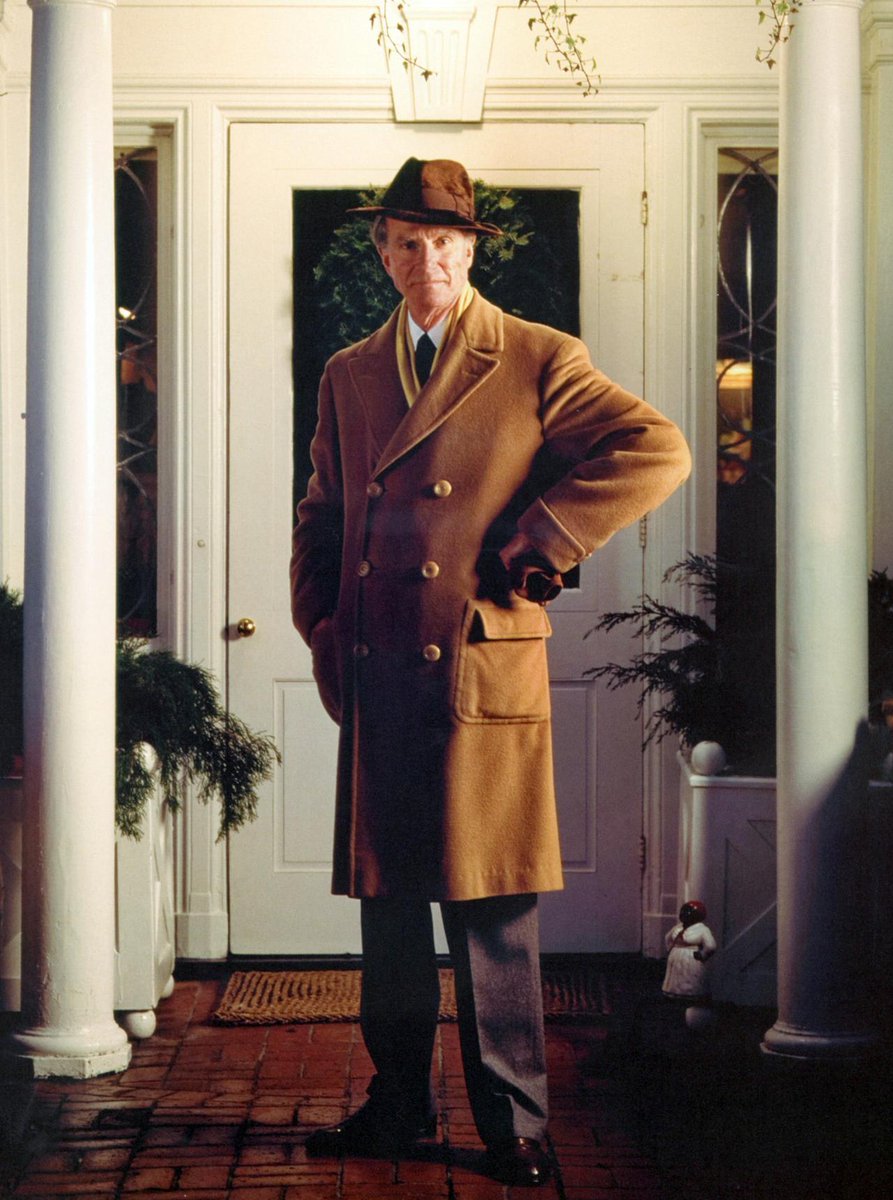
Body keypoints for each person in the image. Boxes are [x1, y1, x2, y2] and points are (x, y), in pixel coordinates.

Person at [290, 156, 691, 1186]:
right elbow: (322, 512)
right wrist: (322, 624)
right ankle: (397, 1105)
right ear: (382, 254)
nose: (426, 258)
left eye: (444, 241)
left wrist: (542, 539)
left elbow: (655, 448)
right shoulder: (349, 372)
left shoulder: (535, 355)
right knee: (388, 903)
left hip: (476, 663)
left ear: (470, 252)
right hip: (378, 660)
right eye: (406, 242)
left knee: (491, 904)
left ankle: (514, 1122)